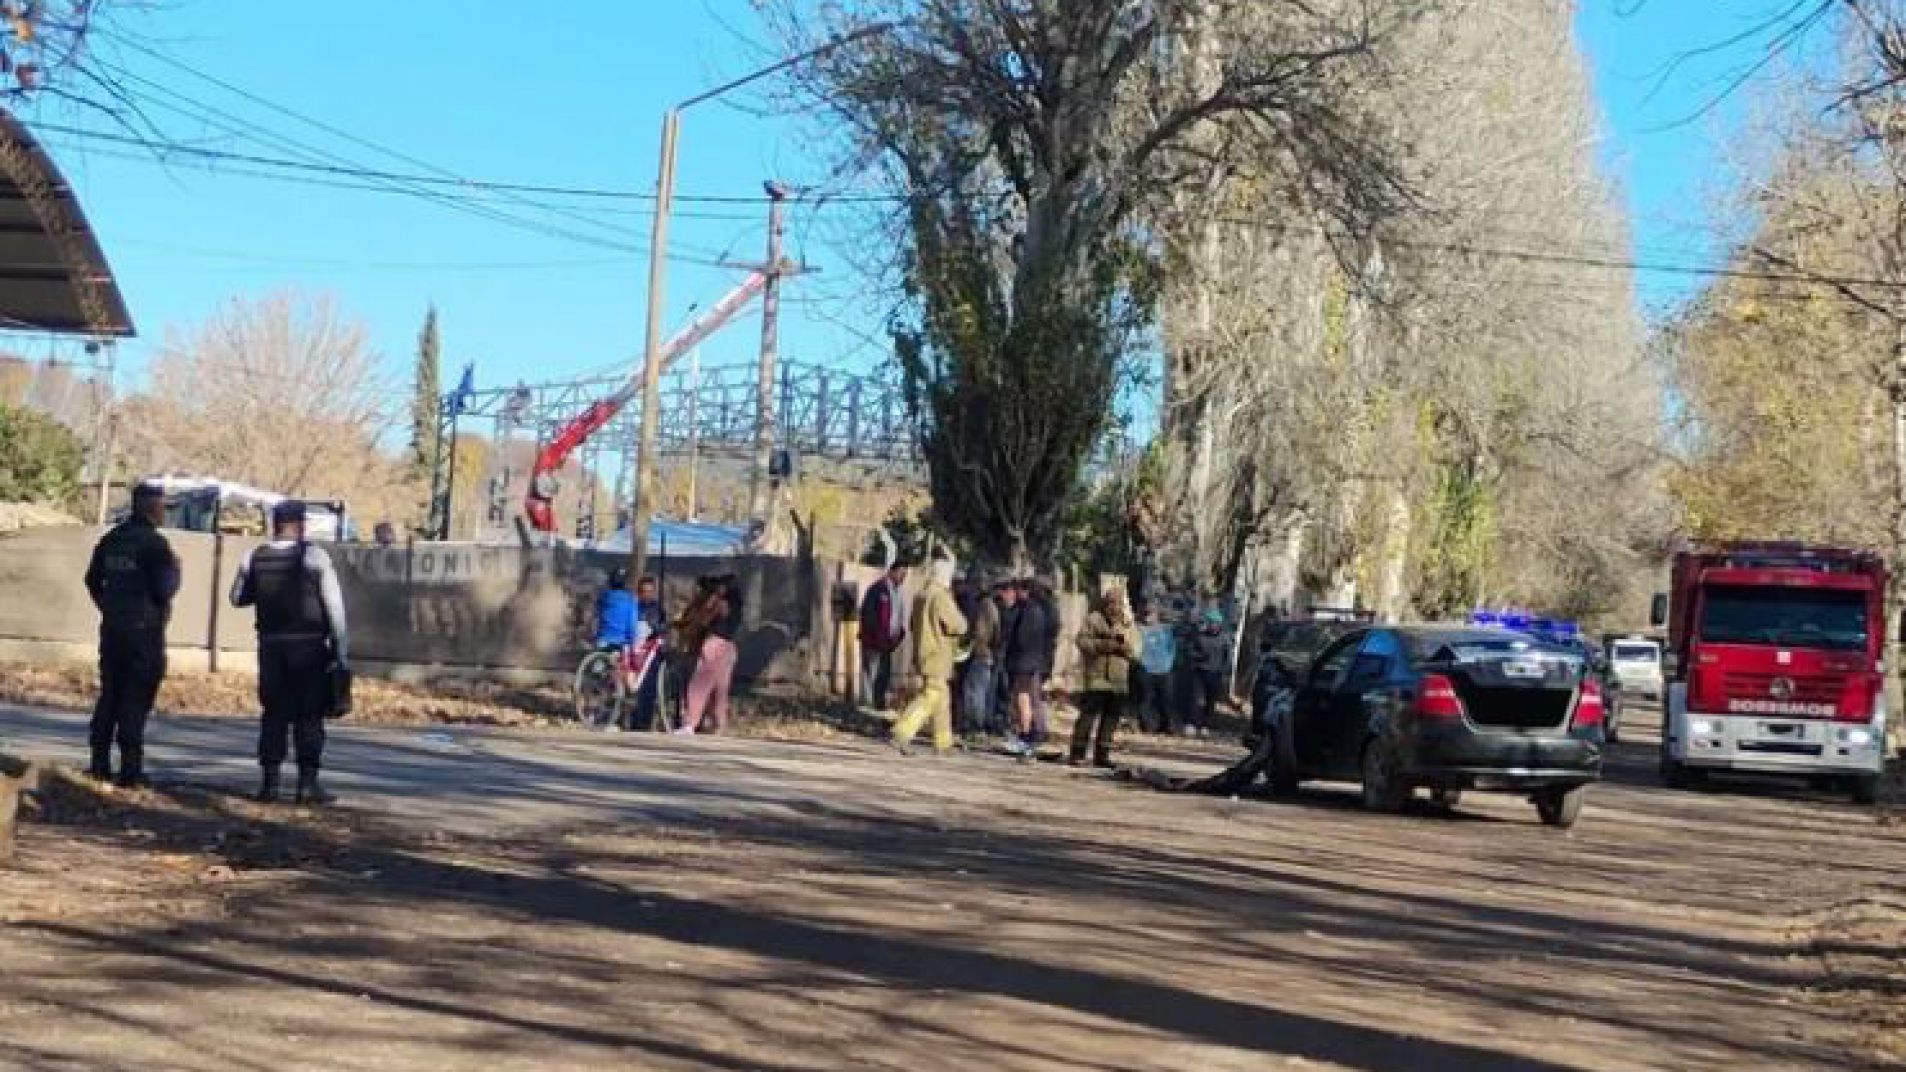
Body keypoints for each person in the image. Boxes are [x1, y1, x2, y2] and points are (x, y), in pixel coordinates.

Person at [230, 500, 350, 805]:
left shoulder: (254, 556)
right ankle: (306, 785)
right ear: (300, 525)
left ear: (275, 525)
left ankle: (269, 784)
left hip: (271, 648)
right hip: (309, 648)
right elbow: (334, 608)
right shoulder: (314, 556)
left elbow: (237, 597)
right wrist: (341, 654)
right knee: (309, 715)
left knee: (273, 713)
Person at [83, 480, 181, 788]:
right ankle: (130, 769)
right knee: (135, 696)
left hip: (113, 630)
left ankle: (99, 762)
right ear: (151, 507)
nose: (165, 512)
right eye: (163, 506)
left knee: (110, 692)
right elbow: (164, 590)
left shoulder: (112, 539)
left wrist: (109, 609)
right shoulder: (154, 544)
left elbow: (92, 581)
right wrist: (176, 570)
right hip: (144, 633)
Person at [890, 557, 969, 755]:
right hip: (938, 654)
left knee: (942, 699)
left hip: (922, 651)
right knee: (931, 695)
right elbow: (957, 624)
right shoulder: (940, 597)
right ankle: (902, 731)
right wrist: (962, 625)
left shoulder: (920, 595)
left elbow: (912, 624)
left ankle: (943, 742)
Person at [1070, 587, 1141, 767]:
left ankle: (1102, 755)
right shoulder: (1094, 619)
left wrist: (1125, 648)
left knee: (1111, 718)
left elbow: (1137, 650)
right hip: (1097, 676)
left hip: (1118, 679)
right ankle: (1077, 753)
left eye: (1118, 603)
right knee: (1088, 716)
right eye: (1111, 603)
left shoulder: (1128, 623)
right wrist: (1102, 645)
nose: (1114, 607)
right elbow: (1081, 641)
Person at [677, 574, 741, 735]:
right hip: (729, 648)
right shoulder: (737, 606)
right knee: (720, 690)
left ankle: (690, 723)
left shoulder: (720, 603)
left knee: (699, 686)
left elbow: (704, 621)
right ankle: (719, 724)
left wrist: (692, 622)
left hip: (714, 645)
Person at [1002, 578, 1054, 756]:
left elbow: (1022, 638)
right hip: (1032, 660)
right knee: (1027, 698)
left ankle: (1026, 735)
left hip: (1023, 661)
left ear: (1027, 591)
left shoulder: (1028, 611)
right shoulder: (1039, 610)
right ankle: (1027, 734)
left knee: (1023, 699)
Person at [857, 562, 908, 711]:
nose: (903, 577)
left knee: (883, 676)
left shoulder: (898, 592)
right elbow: (868, 615)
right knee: (871, 674)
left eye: (905, 574)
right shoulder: (877, 589)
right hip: (873, 641)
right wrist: (877, 635)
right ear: (892, 571)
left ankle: (878, 706)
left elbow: (897, 616)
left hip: (888, 643)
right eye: (901, 573)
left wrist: (899, 635)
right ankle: (867, 706)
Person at [959, 576, 1002, 736]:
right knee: (979, 691)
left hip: (979, 654)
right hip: (986, 654)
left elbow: (981, 633)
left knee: (974, 692)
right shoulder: (991, 606)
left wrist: (968, 642)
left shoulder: (984, 606)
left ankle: (974, 727)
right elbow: (996, 634)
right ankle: (975, 726)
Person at [628, 575, 669, 731]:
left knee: (649, 687)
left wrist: (654, 628)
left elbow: (663, 627)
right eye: (643, 591)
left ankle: (644, 721)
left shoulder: (657, 608)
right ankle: (633, 719)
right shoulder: (633, 607)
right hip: (633, 649)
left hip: (650, 651)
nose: (647, 595)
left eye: (649, 592)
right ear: (639, 592)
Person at [1184, 602, 1229, 738]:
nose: (1213, 626)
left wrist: (1225, 672)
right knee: (1195, 699)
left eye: (1216, 623)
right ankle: (1192, 724)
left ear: (1220, 624)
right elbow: (1190, 651)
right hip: (1200, 671)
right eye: (1211, 623)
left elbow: (1227, 657)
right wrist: (1199, 656)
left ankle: (1206, 725)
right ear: (1208, 623)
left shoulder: (1224, 639)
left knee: (1211, 700)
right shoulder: (1200, 636)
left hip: (1215, 673)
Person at [1135, 603, 1178, 735]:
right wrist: (1140, 662)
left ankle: (1167, 726)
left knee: (1166, 700)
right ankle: (1147, 726)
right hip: (1146, 669)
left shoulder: (1165, 629)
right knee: (1145, 700)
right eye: (1146, 614)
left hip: (1164, 670)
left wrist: (1168, 663)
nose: (1148, 617)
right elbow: (1135, 648)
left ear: (1157, 615)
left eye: (1151, 614)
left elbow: (1172, 647)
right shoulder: (1138, 629)